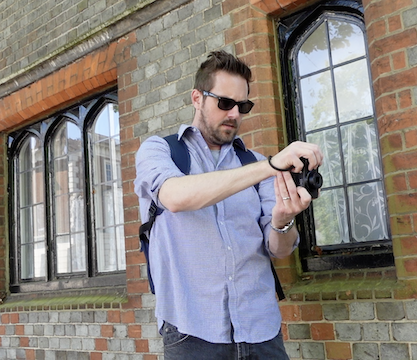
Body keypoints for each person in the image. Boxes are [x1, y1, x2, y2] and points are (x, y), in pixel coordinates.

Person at [134, 50, 323, 359]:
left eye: (243, 105)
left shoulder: (257, 163)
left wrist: (283, 220)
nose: (234, 113)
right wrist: (273, 165)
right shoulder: (160, 150)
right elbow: (176, 197)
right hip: (191, 334)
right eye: (224, 103)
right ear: (197, 98)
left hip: (261, 332)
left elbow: (280, 249)